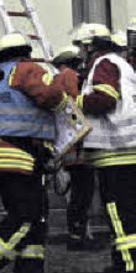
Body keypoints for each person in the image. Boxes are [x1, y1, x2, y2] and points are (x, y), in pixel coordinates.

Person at [0, 32, 75, 273]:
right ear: (25, 52)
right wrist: (66, 85)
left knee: (36, 215)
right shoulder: (27, 69)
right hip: (19, 151)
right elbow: (51, 96)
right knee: (26, 216)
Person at [77, 23, 136, 273]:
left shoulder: (103, 64)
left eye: (81, 47)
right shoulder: (122, 64)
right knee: (129, 211)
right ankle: (123, 261)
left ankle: (128, 266)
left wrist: (74, 101)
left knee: (116, 211)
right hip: (128, 148)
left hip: (115, 150)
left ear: (91, 46)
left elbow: (105, 99)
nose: (80, 52)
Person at [52, 40, 102, 251]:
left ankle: (77, 234)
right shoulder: (69, 76)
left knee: (78, 194)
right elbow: (76, 104)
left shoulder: (55, 79)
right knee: (83, 194)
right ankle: (78, 237)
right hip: (79, 148)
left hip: (67, 146)